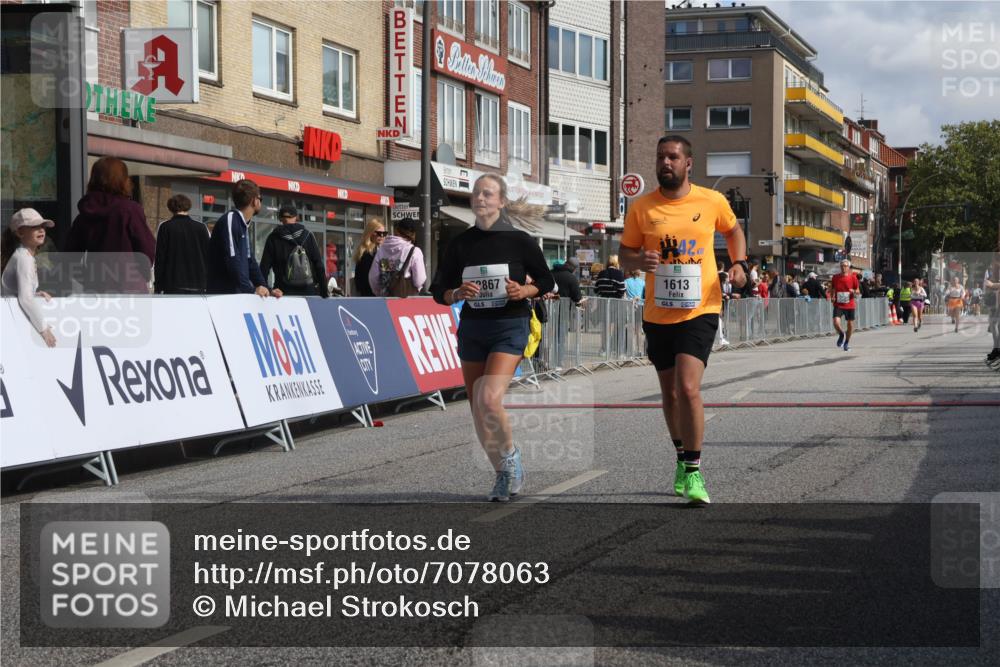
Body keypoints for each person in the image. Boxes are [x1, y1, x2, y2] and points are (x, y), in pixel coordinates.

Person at [618, 135, 747, 505]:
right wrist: (638, 262)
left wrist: (738, 264)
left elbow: (733, 230)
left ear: (688, 163)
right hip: (658, 311)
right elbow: (625, 252)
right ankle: (680, 456)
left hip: (701, 307)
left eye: (673, 157)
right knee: (670, 392)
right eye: (660, 156)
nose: (665, 162)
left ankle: (693, 471)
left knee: (689, 388)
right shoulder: (642, 207)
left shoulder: (711, 200)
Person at [430, 173, 555, 502]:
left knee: (488, 399)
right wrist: (455, 292)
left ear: (501, 201)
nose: (481, 198)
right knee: (477, 407)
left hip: (510, 325)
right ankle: (502, 472)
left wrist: (523, 290)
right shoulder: (460, 243)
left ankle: (511, 457)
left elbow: (546, 280)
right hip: (474, 327)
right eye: (477, 193)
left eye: (488, 194)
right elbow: (437, 290)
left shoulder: (520, 241)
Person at [66, 156, 156, 293]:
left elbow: (69, 256)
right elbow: (147, 248)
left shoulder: (85, 213)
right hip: (129, 287)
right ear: (123, 180)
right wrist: (141, 274)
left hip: (96, 288)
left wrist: (89, 276)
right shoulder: (130, 210)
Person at [206, 179, 280, 297]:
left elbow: (250, 262)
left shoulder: (242, 224)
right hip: (224, 296)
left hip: (236, 295)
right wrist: (250, 290)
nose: (260, 202)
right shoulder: (231, 219)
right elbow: (232, 258)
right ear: (254, 201)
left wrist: (266, 289)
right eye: (260, 199)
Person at [1, 209, 57, 347]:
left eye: (42, 226)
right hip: (11, 323)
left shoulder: (24, 256)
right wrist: (44, 329)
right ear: (20, 233)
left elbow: (21, 293)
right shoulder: (23, 258)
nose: (41, 230)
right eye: (34, 227)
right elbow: (25, 299)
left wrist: (35, 294)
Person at [259, 205, 328, 297]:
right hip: (308, 292)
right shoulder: (308, 236)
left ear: (280, 219)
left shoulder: (274, 237)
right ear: (296, 217)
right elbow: (318, 265)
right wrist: (324, 292)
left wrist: (266, 289)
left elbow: (264, 267)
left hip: (282, 293)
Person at [153, 194, 210, 294]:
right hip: (198, 284)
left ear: (171, 208)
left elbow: (160, 259)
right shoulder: (202, 227)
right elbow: (209, 256)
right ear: (188, 206)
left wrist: (158, 285)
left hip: (172, 284)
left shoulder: (165, 227)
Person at [368, 218, 426, 297]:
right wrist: (417, 288)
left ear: (396, 231)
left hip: (385, 299)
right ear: (413, 234)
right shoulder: (415, 251)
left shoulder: (382, 249)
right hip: (407, 299)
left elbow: (373, 277)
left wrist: (379, 293)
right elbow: (419, 280)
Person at [831, 259, 861, 351]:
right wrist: (832, 296)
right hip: (839, 304)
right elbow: (832, 288)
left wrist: (854, 291)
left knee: (850, 325)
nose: (843, 268)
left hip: (850, 304)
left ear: (848, 267)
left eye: (845, 266)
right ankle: (841, 334)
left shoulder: (853, 278)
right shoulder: (835, 277)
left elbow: (858, 291)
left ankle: (846, 342)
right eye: (842, 266)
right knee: (836, 322)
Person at [352, 219, 386, 296]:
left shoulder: (378, 251)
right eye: (378, 233)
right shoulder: (368, 254)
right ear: (370, 234)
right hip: (372, 297)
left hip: (369, 296)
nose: (382, 236)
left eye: (384, 233)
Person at [984, 254, 1000, 363]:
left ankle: (996, 349)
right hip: (997, 303)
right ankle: (996, 348)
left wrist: (993, 284)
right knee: (994, 324)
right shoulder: (994, 271)